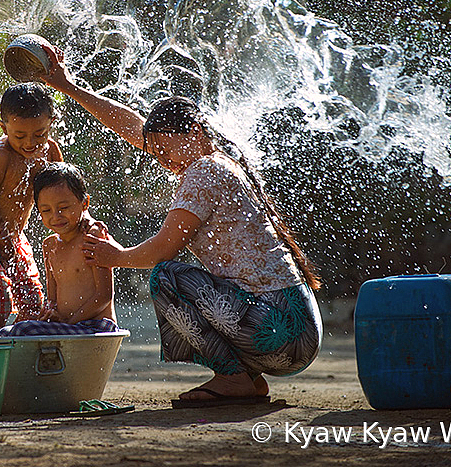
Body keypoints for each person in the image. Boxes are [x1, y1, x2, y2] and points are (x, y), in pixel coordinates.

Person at [38, 47, 323, 408]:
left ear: (194, 131)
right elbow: (127, 123)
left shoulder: (204, 170)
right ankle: (245, 379)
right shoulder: (216, 161)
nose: (159, 158)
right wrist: (69, 87)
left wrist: (115, 256)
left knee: (166, 277)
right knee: (176, 277)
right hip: (290, 330)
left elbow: (161, 251)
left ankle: (233, 378)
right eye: (153, 149)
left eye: (163, 148)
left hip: (283, 331)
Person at [0, 83, 63, 336]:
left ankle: (16, 354)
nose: (30, 143)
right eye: (19, 136)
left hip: (14, 237)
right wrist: (2, 240)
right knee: (0, 302)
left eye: (39, 134)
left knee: (33, 306)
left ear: (51, 122)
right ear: (3, 127)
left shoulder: (50, 151)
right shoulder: (1, 154)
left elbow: (64, 193)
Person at [0, 162, 118, 336]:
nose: (56, 216)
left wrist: (70, 321)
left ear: (84, 203)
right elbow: (52, 299)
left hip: (96, 326)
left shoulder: (91, 236)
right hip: (68, 326)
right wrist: (50, 313)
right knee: (6, 332)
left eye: (64, 208)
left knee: (23, 331)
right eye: (46, 210)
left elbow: (104, 296)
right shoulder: (50, 246)